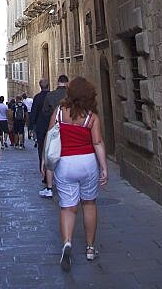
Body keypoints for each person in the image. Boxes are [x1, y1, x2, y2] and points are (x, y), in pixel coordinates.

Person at [44, 76, 108, 271]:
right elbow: (97, 142)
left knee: (67, 207)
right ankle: (90, 248)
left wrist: (45, 163)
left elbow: (50, 136)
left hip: (65, 163)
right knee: (89, 204)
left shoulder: (59, 112)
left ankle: (67, 243)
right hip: (87, 162)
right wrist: (104, 167)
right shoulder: (91, 117)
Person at [38, 73, 69, 195]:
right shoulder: (71, 96)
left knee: (52, 155)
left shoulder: (50, 95)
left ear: (57, 83)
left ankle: (50, 188)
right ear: (67, 83)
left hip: (55, 129)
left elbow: (45, 113)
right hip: (69, 129)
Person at [29, 78, 51, 193]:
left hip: (41, 128)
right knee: (53, 150)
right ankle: (52, 175)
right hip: (52, 129)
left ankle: (45, 175)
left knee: (41, 151)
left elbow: (33, 113)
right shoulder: (51, 96)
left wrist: (31, 127)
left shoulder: (37, 98)